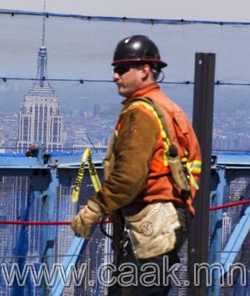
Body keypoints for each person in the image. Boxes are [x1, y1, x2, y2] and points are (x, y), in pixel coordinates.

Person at [71, 35, 202, 295]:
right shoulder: (169, 108)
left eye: (121, 69)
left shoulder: (140, 112)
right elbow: (193, 163)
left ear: (144, 71)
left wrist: (93, 209)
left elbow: (128, 177)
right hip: (168, 222)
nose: (115, 76)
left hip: (149, 224)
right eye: (114, 69)